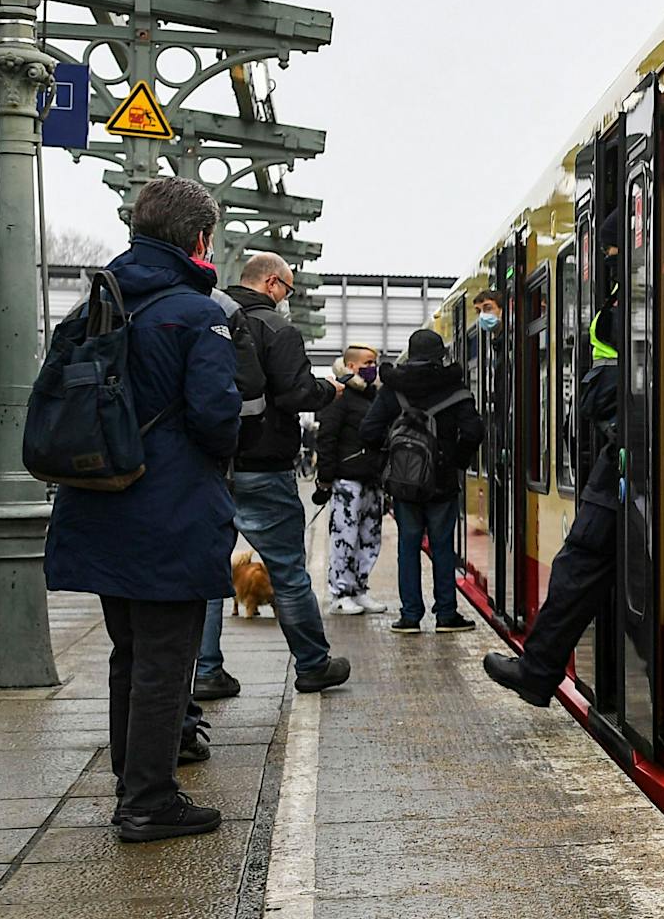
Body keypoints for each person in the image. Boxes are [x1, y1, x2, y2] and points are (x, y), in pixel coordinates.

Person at [43, 177, 238, 842]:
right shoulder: (196, 312)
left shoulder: (96, 304)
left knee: (129, 656)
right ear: (200, 239)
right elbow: (217, 417)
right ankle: (149, 801)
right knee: (164, 660)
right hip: (169, 509)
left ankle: (133, 785)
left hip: (99, 503)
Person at [199, 251, 351, 696]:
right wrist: (329, 390)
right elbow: (296, 392)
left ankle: (205, 672)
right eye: (287, 287)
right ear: (270, 283)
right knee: (287, 570)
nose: (287, 296)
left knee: (208, 573)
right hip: (263, 465)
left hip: (211, 466)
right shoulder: (276, 328)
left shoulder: (207, 315)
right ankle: (312, 664)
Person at [482, 285, 621, 707]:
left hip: (617, 467)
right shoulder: (625, 287)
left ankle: (537, 671)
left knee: (577, 568)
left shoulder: (627, 298)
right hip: (616, 465)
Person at [361, 327, 484, 633]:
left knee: (408, 546)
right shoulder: (455, 390)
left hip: (405, 484)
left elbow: (368, 432)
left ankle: (410, 616)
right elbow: (473, 432)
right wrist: (455, 460)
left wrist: (392, 456)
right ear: (440, 356)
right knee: (443, 547)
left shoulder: (392, 390)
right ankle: (446, 615)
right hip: (442, 482)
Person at [312, 344, 388, 616]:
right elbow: (327, 438)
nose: (373, 367)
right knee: (345, 537)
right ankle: (340, 593)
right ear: (352, 365)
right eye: (368, 362)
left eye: (375, 362)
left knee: (370, 537)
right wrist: (325, 478)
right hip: (346, 480)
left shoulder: (373, 396)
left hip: (371, 478)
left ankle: (359, 588)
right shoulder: (339, 396)